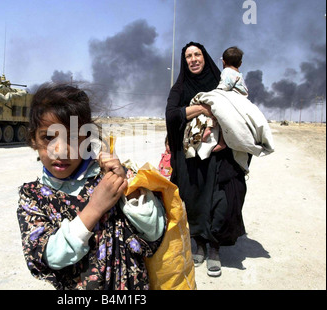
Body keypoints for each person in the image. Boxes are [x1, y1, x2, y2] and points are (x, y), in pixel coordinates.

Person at [17, 83, 166, 290]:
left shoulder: (112, 177)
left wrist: (128, 190)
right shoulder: (32, 198)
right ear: (33, 139)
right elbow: (49, 256)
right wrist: (95, 208)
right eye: (48, 137)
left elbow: (155, 231)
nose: (60, 151)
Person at [166, 42, 249, 277]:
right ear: (185, 61)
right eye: (189, 56)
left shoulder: (220, 83)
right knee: (194, 200)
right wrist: (202, 108)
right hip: (191, 157)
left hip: (221, 155)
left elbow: (238, 111)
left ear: (205, 57)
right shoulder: (180, 87)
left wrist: (224, 139)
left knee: (222, 201)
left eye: (197, 54)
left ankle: (215, 248)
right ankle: (200, 245)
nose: (193, 59)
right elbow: (172, 114)